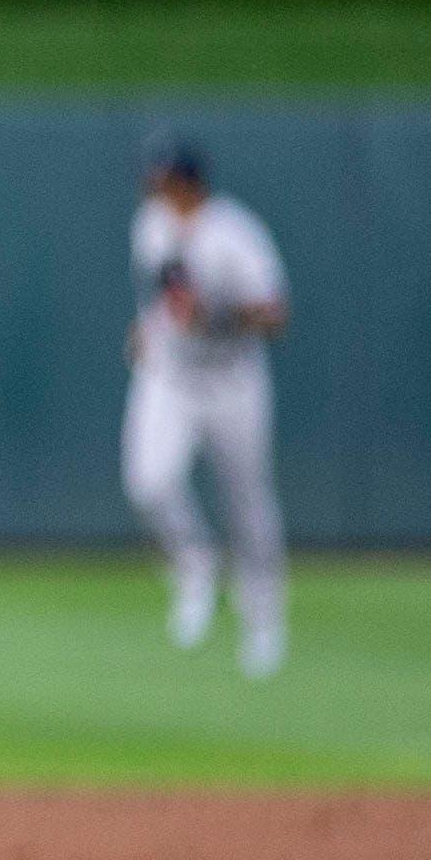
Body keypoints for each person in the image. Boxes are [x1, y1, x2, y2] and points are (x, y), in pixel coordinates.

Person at [123, 135, 289, 678]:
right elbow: (162, 301)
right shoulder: (149, 225)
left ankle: (263, 617)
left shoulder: (234, 234)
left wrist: (219, 316)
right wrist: (147, 330)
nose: (157, 189)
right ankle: (195, 568)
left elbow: (274, 315)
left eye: (166, 180)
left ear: (190, 182)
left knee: (248, 501)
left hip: (231, 378)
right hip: (169, 377)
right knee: (149, 482)